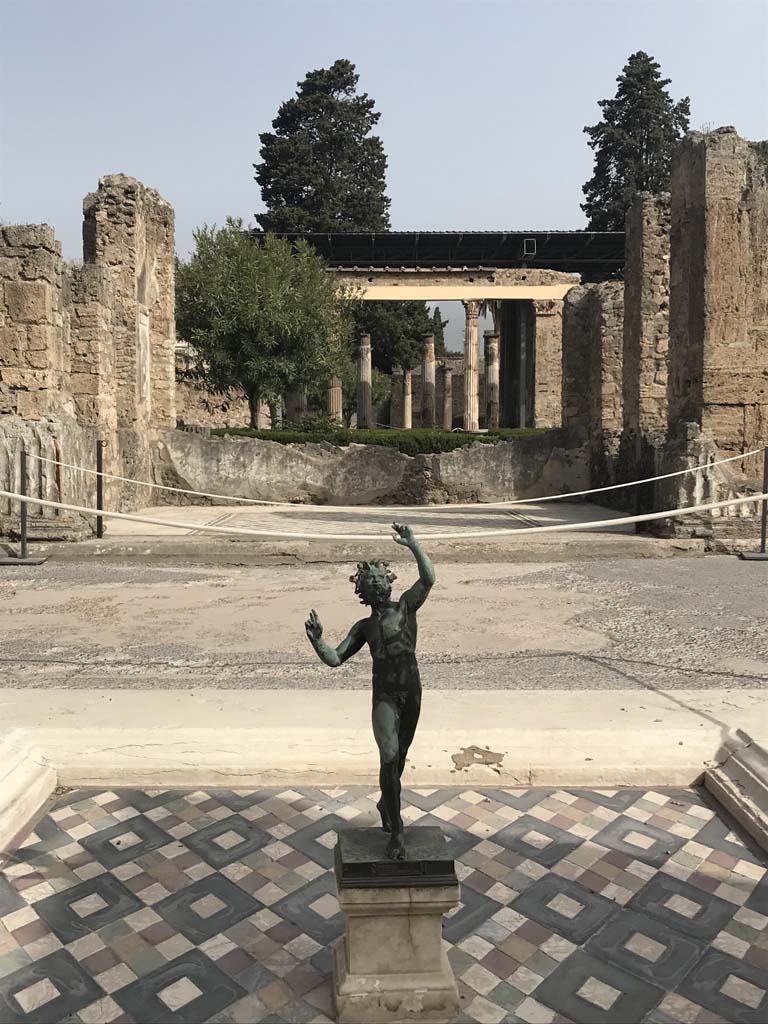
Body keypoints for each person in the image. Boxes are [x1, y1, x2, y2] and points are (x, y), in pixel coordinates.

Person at [305, 522, 435, 860]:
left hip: (413, 691)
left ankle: (384, 801)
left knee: (401, 757)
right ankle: (396, 829)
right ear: (361, 590)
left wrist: (413, 544)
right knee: (389, 759)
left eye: (380, 577)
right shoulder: (363, 627)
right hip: (385, 697)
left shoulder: (406, 607)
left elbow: (429, 579)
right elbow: (335, 658)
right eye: (369, 580)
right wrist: (318, 639)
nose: (375, 582)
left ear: (390, 583)